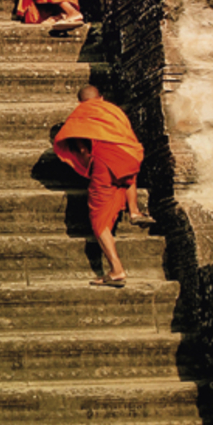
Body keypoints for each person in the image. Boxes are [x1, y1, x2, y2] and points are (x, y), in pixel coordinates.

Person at [53, 86, 154, 288]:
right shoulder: (114, 110)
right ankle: (134, 211)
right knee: (127, 176)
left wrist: (84, 156)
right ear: (101, 97)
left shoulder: (82, 113)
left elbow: (78, 140)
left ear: (81, 102)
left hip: (106, 161)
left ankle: (116, 269)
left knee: (98, 220)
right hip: (131, 156)